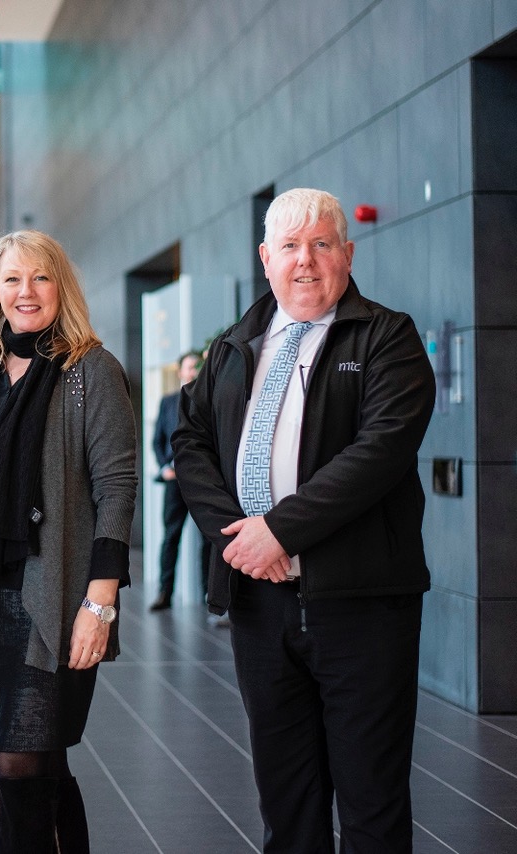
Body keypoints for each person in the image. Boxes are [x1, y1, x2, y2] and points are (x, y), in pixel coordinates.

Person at [172, 188, 435, 852]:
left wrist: (279, 531)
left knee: (371, 799)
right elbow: (190, 442)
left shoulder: (388, 336)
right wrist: (237, 539)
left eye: (321, 244)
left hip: (361, 603)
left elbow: (380, 452)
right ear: (266, 258)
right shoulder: (233, 346)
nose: (305, 261)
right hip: (261, 606)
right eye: (290, 246)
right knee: (286, 800)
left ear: (348, 253)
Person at [0, 230, 137, 853]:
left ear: (61, 287)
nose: (26, 291)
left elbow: (117, 487)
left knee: (18, 764)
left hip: (53, 597)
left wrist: (100, 603)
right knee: (40, 762)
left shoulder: (90, 370)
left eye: (40, 277)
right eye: (11, 279)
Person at [150, 350, 201, 611]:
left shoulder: (208, 399)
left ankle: (209, 597)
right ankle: (164, 593)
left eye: (197, 367)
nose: (193, 372)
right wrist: (164, 467)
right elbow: (157, 440)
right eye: (189, 367)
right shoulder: (168, 401)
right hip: (174, 481)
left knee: (210, 540)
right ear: (180, 371)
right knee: (171, 536)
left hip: (202, 482)